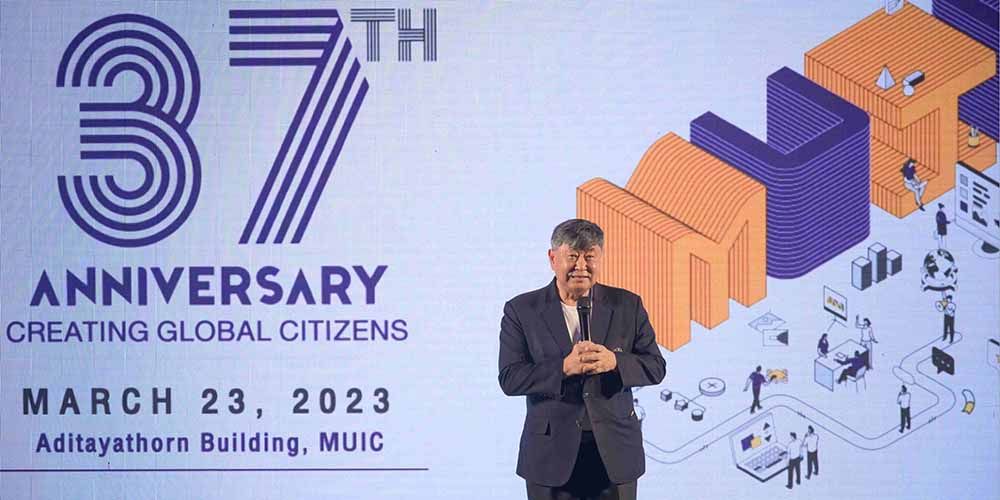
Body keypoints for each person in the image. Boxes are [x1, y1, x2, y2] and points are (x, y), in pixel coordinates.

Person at [498, 219, 666, 500]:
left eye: (589, 256)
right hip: (549, 454)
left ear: (601, 257)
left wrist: (615, 362)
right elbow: (510, 378)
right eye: (572, 256)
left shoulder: (628, 304)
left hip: (615, 453)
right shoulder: (522, 309)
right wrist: (563, 368)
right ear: (553, 258)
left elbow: (655, 367)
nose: (581, 266)